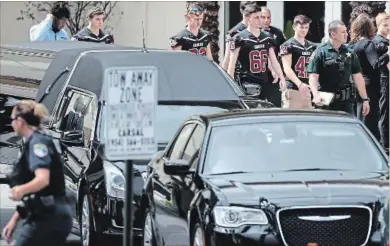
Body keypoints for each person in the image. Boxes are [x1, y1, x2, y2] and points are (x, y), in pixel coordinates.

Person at [1, 100, 73, 246]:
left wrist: (20, 189)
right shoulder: (35, 141)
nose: (12, 124)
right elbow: (37, 194)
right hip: (46, 213)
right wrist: (14, 220)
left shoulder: (37, 143)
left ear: (20, 121)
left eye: (13, 119)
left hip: (48, 217)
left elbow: (42, 180)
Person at [307, 20, 370, 116]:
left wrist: (365, 99)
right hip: (325, 101)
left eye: (346, 31)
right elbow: (313, 77)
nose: (346, 34)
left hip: (346, 102)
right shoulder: (320, 52)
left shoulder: (349, 53)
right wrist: (315, 95)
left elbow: (358, 76)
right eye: (343, 32)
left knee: (348, 129)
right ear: (333, 34)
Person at [227, 4, 286, 101]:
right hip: (246, 81)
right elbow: (231, 64)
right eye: (256, 17)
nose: (260, 21)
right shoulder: (239, 38)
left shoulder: (267, 37)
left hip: (264, 81)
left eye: (261, 17)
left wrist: (282, 77)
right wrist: (231, 84)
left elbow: (274, 60)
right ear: (248, 18)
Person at [348, 13, 389, 142]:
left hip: (354, 84)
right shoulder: (367, 44)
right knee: (370, 121)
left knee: (358, 117)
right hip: (369, 86)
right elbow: (376, 64)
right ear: (370, 27)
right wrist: (388, 54)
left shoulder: (352, 45)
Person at [280, 15, 317, 109]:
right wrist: (299, 84)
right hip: (294, 88)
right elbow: (287, 68)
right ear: (294, 27)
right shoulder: (288, 45)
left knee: (308, 121)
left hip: (307, 89)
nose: (304, 30)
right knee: (291, 121)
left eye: (306, 27)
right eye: (301, 27)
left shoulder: (312, 46)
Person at [259, 6, 287, 107]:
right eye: (263, 17)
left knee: (275, 104)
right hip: (257, 73)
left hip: (274, 73)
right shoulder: (251, 33)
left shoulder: (277, 33)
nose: (266, 20)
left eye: (268, 17)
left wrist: (284, 73)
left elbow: (284, 53)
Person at [221, 1, 255, 71]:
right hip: (241, 74)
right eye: (248, 12)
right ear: (242, 11)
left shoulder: (259, 30)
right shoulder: (233, 33)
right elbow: (228, 57)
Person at [373, 12, 390, 152]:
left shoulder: (386, 41)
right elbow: (380, 64)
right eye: (385, 25)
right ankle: (384, 145)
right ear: (378, 25)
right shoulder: (378, 42)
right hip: (383, 80)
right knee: (384, 112)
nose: (388, 28)